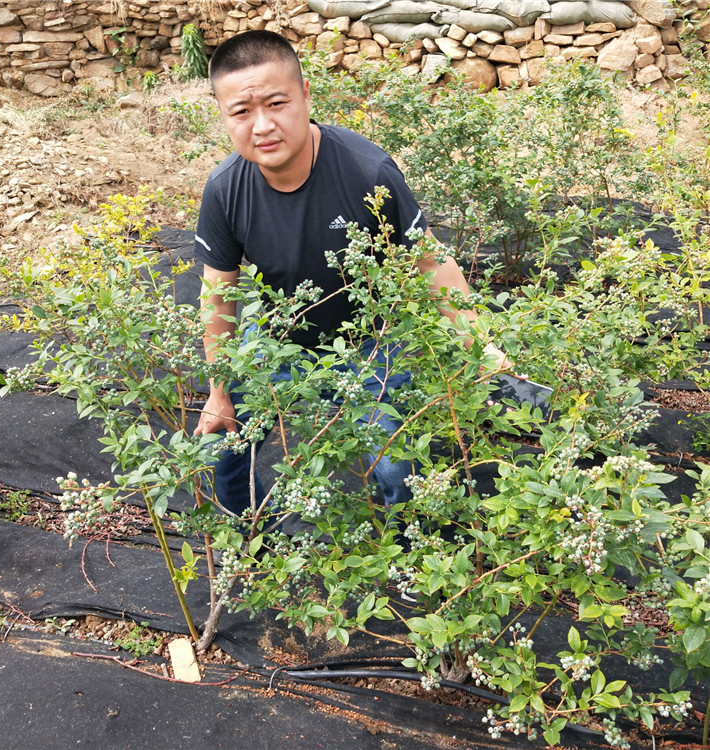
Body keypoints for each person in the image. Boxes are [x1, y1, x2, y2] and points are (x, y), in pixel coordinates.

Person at [192, 30, 522, 516]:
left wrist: (479, 343)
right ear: (224, 116)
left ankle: (409, 548)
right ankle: (248, 546)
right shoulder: (224, 190)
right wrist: (220, 391)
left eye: (277, 103)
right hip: (279, 333)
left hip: (372, 339)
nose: (261, 125)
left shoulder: (367, 172)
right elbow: (218, 297)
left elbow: (430, 262)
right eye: (241, 111)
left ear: (305, 96)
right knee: (220, 446)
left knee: (396, 469)